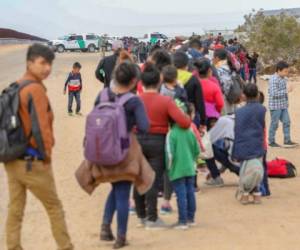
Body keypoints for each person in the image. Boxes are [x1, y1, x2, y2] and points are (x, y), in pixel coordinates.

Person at [4, 43, 74, 250]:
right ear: (29, 62)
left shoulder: (15, 85)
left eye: (50, 64)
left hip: (12, 160)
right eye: (42, 63)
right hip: (32, 161)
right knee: (54, 208)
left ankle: (13, 247)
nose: (47, 68)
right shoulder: (35, 89)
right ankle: (66, 247)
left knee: (15, 210)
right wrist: (46, 158)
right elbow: (42, 129)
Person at [95, 62, 150, 249]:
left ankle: (105, 227)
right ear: (134, 80)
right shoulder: (133, 101)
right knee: (122, 191)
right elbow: (144, 126)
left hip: (102, 150)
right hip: (123, 152)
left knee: (115, 186)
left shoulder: (102, 95)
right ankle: (121, 237)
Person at [134, 63, 191, 230]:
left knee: (139, 178)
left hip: (138, 140)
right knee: (153, 179)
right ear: (158, 83)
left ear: (142, 84)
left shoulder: (135, 100)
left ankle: (141, 216)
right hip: (158, 141)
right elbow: (183, 122)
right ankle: (152, 218)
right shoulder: (165, 100)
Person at [159, 65, 188, 214]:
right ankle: (170, 200)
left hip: (163, 131)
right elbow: (187, 109)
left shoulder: (160, 91)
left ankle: (164, 200)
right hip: (179, 131)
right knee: (175, 166)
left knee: (165, 167)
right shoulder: (180, 91)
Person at [166, 103, 200, 229]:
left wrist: (169, 168)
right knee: (190, 192)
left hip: (177, 169)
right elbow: (197, 150)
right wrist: (193, 162)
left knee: (181, 194)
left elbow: (170, 154)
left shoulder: (172, 134)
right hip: (190, 167)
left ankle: (182, 221)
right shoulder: (190, 131)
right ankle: (191, 218)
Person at [233, 84, 266, 204]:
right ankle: (257, 195)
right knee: (256, 170)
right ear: (257, 95)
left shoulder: (239, 111)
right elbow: (261, 126)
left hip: (243, 144)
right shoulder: (262, 109)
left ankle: (245, 195)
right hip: (257, 143)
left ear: (244, 96)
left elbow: (237, 130)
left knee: (245, 170)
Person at [268, 61, 298, 148]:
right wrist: (287, 91)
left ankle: (287, 140)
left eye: (287, 71)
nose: (287, 73)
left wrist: (286, 101)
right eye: (285, 71)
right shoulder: (273, 79)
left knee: (287, 122)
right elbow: (273, 93)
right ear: (278, 70)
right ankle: (271, 141)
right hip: (275, 106)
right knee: (274, 124)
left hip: (283, 105)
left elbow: (284, 93)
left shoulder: (284, 79)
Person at [173, 51, 206, 128]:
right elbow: (200, 102)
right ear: (186, 65)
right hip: (191, 116)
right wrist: (203, 122)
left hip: (173, 116)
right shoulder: (193, 79)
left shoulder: (168, 78)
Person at [194, 59, 224, 129]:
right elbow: (220, 104)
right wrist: (216, 112)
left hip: (196, 115)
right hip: (211, 117)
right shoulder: (214, 85)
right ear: (209, 71)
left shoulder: (193, 83)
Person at [213, 48, 238, 115]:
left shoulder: (219, 69)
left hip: (224, 101)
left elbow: (224, 86)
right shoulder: (230, 66)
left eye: (213, 57)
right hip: (232, 98)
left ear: (217, 58)